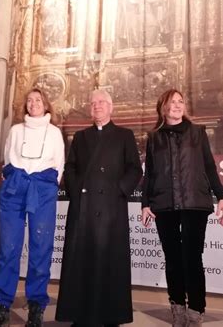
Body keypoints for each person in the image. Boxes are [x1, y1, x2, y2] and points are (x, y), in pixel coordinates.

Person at [141, 89, 223, 327]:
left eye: (181, 102)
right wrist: (145, 204)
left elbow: (210, 167)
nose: (177, 105)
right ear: (163, 107)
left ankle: (196, 311)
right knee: (173, 259)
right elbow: (149, 174)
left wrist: (221, 197)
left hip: (195, 204)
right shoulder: (154, 137)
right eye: (172, 102)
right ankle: (177, 309)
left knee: (192, 258)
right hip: (164, 205)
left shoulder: (198, 133)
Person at [56, 89, 143, 326]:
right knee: (81, 261)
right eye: (93, 103)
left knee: (109, 261)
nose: (97, 106)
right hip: (83, 210)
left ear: (111, 107)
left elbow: (135, 169)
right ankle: (80, 315)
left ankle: (110, 315)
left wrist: (119, 190)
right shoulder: (81, 137)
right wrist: (76, 192)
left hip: (111, 210)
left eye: (102, 102)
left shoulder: (124, 135)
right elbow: (70, 168)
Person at [0, 88, 65, 327]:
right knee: (8, 249)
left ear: (46, 104)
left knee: (41, 248)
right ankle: (1, 306)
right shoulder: (15, 130)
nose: (33, 104)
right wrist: (17, 182)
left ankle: (36, 307)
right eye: (29, 100)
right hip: (15, 191)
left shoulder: (54, 133)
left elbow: (59, 166)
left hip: (42, 191)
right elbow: (8, 160)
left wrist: (43, 186)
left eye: (38, 100)